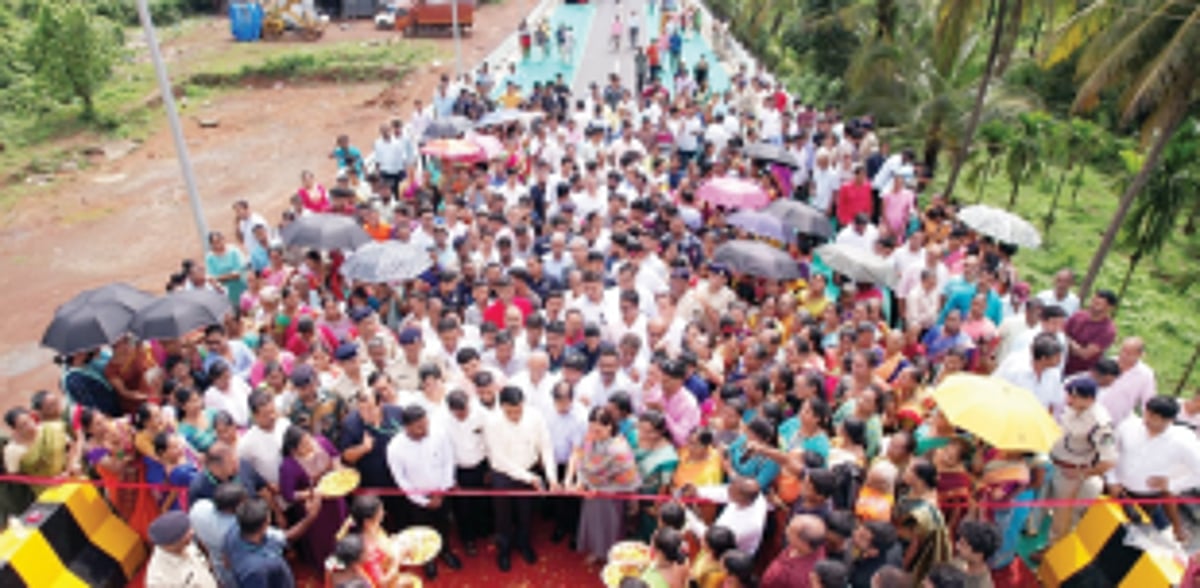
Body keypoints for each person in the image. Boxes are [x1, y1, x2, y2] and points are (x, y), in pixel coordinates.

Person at [484, 386, 559, 572]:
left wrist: (552, 477)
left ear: (524, 404)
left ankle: (524, 544)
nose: (515, 416)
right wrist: (528, 477)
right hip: (503, 475)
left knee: (526, 513)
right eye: (510, 412)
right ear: (501, 407)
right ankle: (504, 550)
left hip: (530, 470)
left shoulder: (535, 416)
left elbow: (546, 447)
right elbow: (499, 459)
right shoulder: (492, 422)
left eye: (519, 411)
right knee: (503, 516)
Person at [386, 404, 463, 579]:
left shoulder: (439, 434)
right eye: (419, 427)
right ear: (407, 427)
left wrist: (442, 491)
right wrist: (423, 500)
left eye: (426, 424)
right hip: (417, 500)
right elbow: (401, 480)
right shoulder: (395, 447)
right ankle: (428, 561)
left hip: (442, 492)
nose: (425, 430)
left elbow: (448, 461)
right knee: (422, 531)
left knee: (444, 525)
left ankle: (446, 551)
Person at [1108, 396, 1200, 542]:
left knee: (1125, 536)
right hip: (1113, 489)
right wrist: (1111, 480)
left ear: (1169, 421)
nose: (1147, 420)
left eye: (1154, 417)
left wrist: (1172, 484)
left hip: (1145, 499)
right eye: (1147, 413)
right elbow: (1110, 453)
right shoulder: (1128, 426)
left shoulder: (1183, 440)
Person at [567, 406, 641, 565]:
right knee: (592, 524)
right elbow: (582, 460)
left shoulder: (619, 448)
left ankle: (612, 556)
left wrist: (595, 487)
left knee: (611, 527)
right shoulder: (590, 439)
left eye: (598, 430)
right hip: (591, 494)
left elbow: (625, 478)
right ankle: (596, 551)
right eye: (591, 429)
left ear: (609, 427)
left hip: (612, 496)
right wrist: (580, 482)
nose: (593, 434)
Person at [1046, 376, 1117, 541]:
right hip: (1054, 462)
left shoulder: (1101, 425)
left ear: (1089, 399)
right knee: (1049, 507)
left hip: (1071, 472)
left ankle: (1055, 549)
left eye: (1075, 396)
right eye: (1069, 395)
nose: (1069, 400)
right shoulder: (1072, 408)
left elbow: (1109, 460)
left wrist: (1082, 474)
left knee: (1063, 516)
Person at [278, 425, 346, 569]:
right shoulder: (289, 465)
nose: (309, 445)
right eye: (304, 445)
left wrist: (338, 472)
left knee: (343, 529)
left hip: (335, 499)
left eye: (308, 440)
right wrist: (313, 493)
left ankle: (347, 559)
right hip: (315, 509)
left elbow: (335, 456)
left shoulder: (321, 442)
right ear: (294, 449)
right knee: (324, 540)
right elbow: (288, 494)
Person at [224, 495, 320, 588]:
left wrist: (310, 517)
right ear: (266, 523)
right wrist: (311, 516)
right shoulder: (255, 570)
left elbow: (286, 537)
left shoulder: (235, 530)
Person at [898, 459, 952, 583]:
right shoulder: (912, 492)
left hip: (910, 555)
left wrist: (902, 567)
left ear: (920, 479)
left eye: (908, 470)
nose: (904, 472)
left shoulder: (924, 512)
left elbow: (914, 545)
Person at [145, 511, 218, 588]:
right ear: (171, 543)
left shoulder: (186, 545)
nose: (192, 532)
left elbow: (202, 562)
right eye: (185, 533)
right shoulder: (158, 580)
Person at [761, 514, 827, 588]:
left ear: (803, 543)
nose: (786, 531)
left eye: (791, 531)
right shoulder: (817, 545)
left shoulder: (783, 575)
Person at [1063, 289, 1118, 376]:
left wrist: (1067, 341)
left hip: (1080, 373)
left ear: (1109, 307)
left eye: (1098, 304)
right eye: (1093, 301)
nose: (1092, 305)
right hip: (1060, 364)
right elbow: (1061, 331)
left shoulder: (1108, 330)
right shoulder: (1078, 315)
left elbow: (1085, 354)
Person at [955, 520, 1001, 588]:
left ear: (979, 554)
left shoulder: (983, 585)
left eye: (963, 545)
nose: (957, 547)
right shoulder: (958, 563)